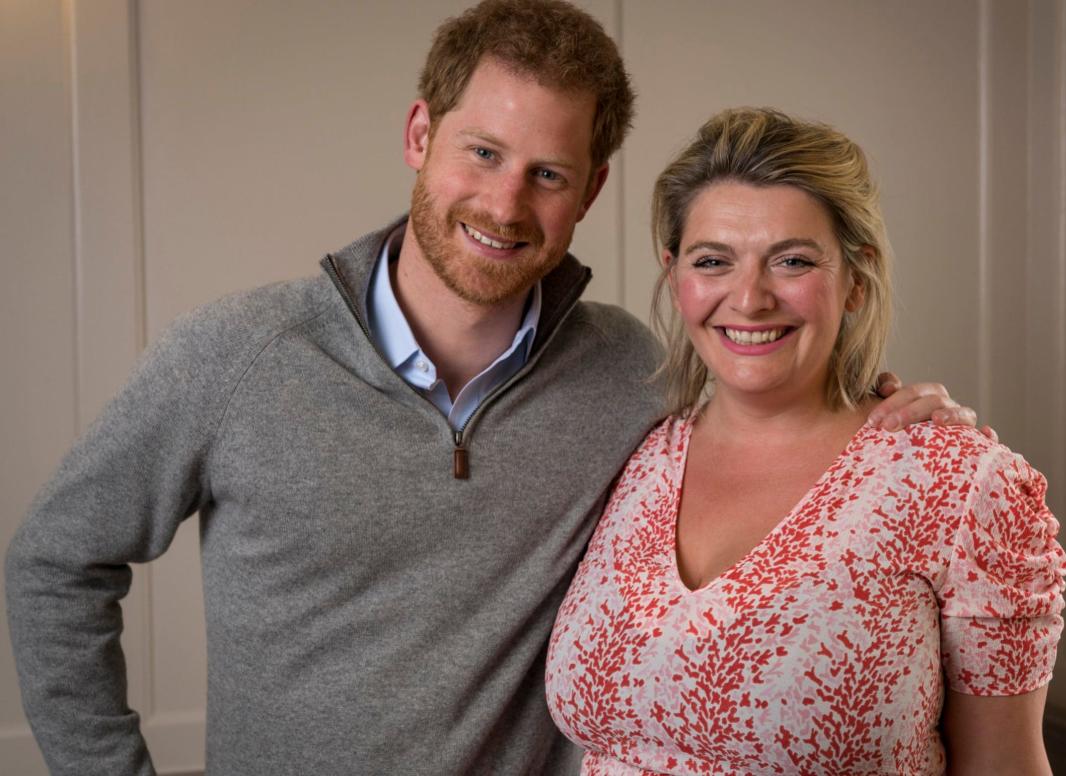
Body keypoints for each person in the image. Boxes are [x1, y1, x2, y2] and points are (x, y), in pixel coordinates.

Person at [6, 3, 978, 775]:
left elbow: (760, 426)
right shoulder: (236, 352)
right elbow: (54, 560)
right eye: (482, 152)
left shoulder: (629, 374)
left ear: (590, 191)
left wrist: (874, 418)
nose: (507, 204)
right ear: (420, 133)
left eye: (548, 172)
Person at [546, 107, 1066, 775]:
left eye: (791, 261)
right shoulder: (631, 447)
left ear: (855, 278)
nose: (750, 297)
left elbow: (1006, 767)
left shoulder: (955, 483)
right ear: (676, 276)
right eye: (714, 261)